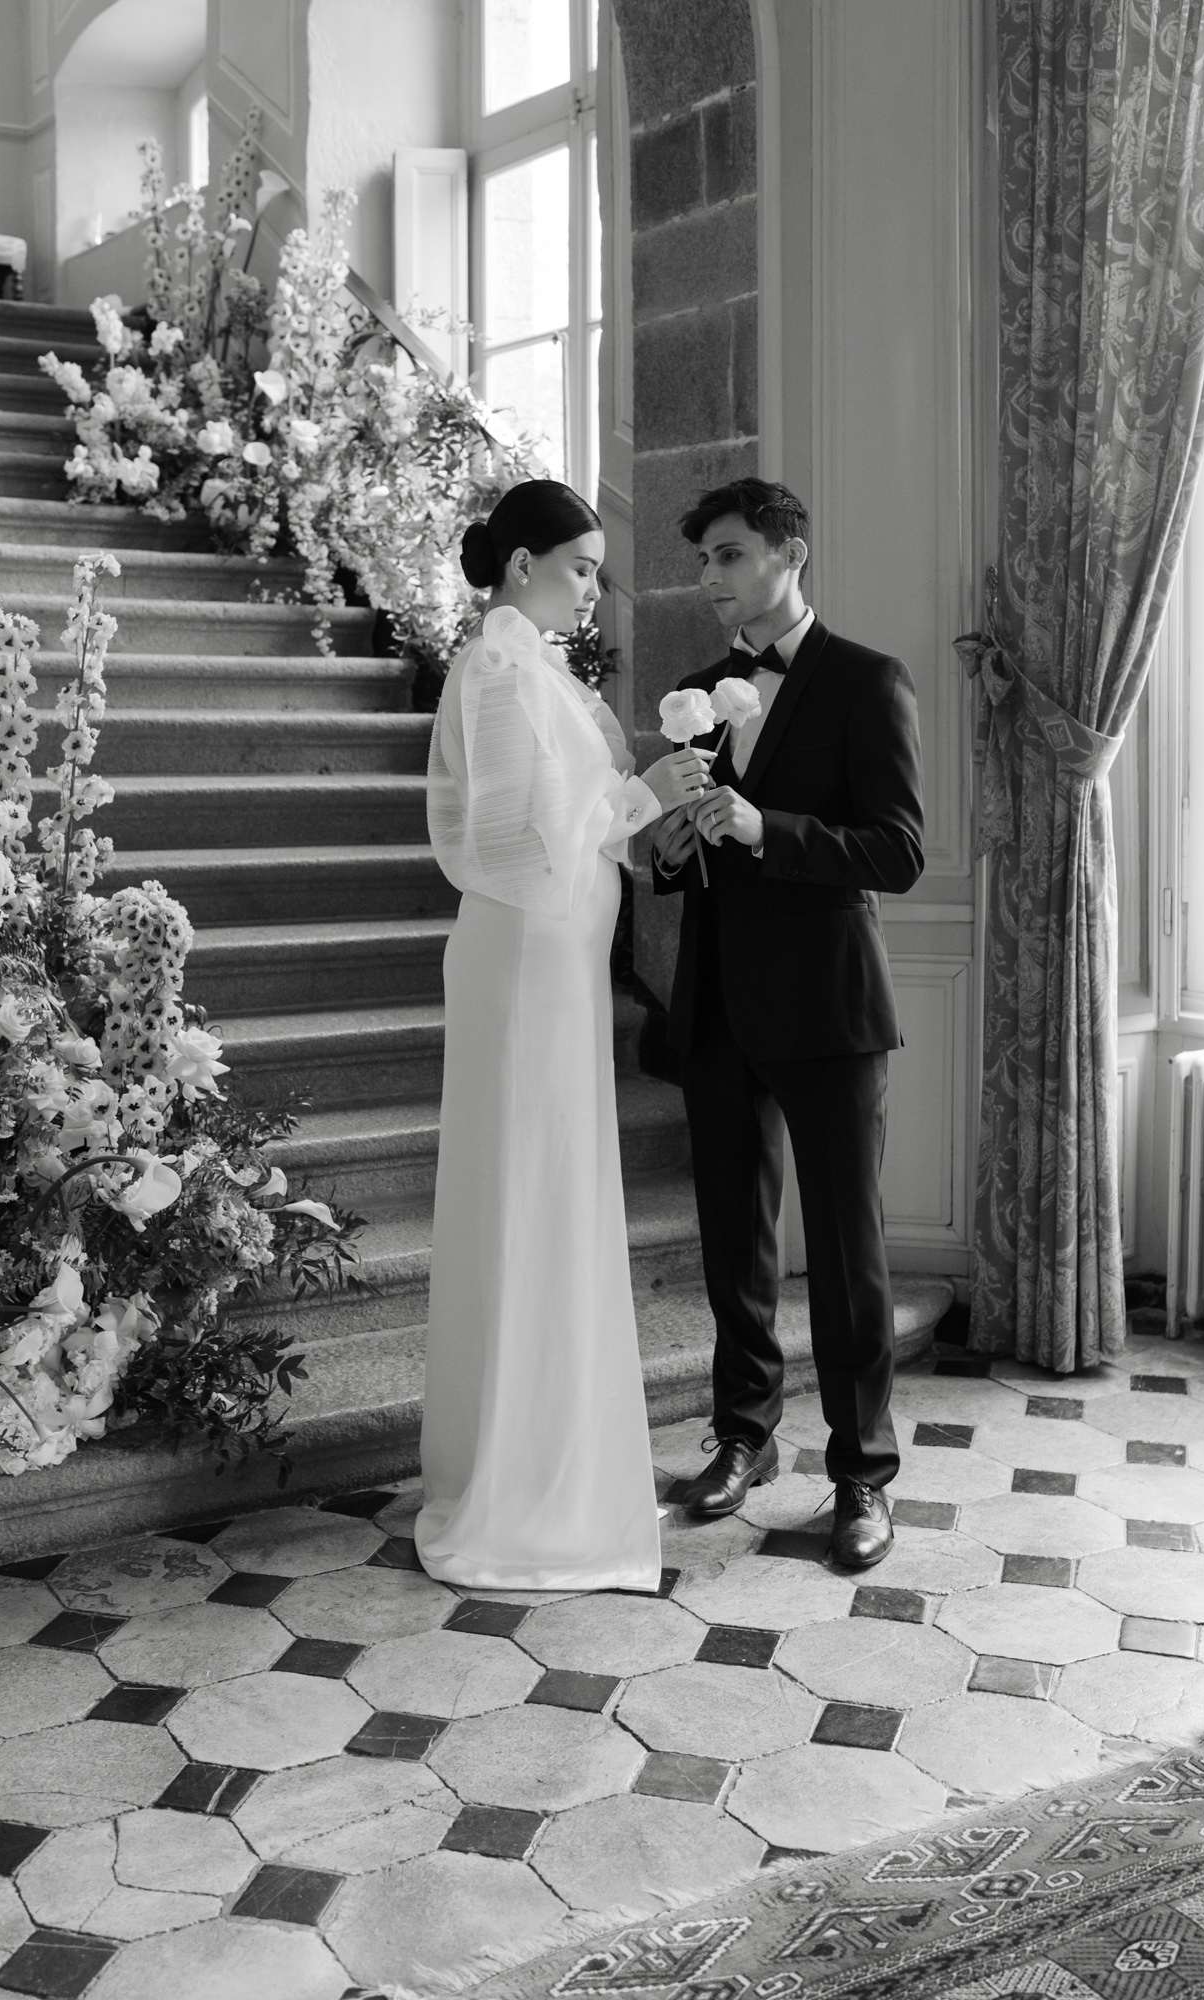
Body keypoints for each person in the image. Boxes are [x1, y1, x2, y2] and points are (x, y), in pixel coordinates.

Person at [417, 479, 712, 1591]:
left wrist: (644, 803)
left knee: (550, 1183)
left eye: (594, 568)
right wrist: (638, 794)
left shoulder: (530, 665)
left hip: (561, 967)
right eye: (580, 565)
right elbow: (519, 841)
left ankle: (546, 1448)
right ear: (523, 561)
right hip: (527, 964)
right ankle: (520, 1472)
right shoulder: (497, 668)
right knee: (531, 1187)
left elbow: (573, 828)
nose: (594, 587)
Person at [652, 477, 925, 1571]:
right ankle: (743, 1438)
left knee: (850, 1254)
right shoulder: (694, 690)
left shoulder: (867, 682)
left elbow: (897, 849)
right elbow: (685, 852)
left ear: (788, 553)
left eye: (725, 556)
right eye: (705, 561)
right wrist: (673, 846)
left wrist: (771, 827)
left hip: (828, 1005)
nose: (708, 579)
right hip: (719, 1003)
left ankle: (861, 1474)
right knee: (735, 1243)